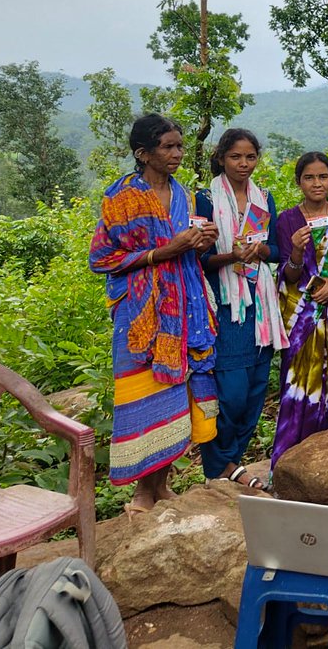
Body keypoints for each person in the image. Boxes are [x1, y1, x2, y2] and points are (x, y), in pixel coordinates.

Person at [89, 114, 219, 513]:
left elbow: (184, 251)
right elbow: (102, 258)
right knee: (145, 397)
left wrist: (200, 243)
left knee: (179, 396)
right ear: (143, 154)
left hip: (185, 309)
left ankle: (161, 485)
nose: (177, 153)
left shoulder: (184, 194)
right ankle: (141, 494)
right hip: (142, 317)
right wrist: (163, 252)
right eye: (168, 147)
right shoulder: (122, 197)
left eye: (180, 145)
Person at [196, 128, 288, 491]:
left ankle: (231, 463)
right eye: (236, 156)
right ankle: (221, 463)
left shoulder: (264, 199)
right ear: (221, 158)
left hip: (260, 305)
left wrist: (260, 252)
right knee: (229, 391)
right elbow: (199, 259)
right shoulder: (204, 199)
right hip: (224, 304)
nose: (244, 163)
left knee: (253, 389)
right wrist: (230, 255)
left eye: (250, 157)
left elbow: (277, 251)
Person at [271, 151, 328, 467]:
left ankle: (318, 463)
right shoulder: (288, 220)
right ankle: (286, 461)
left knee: (326, 384)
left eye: (323, 176)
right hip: (299, 316)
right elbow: (289, 275)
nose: (317, 183)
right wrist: (295, 249)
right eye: (309, 177)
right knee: (294, 386)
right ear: (298, 182)